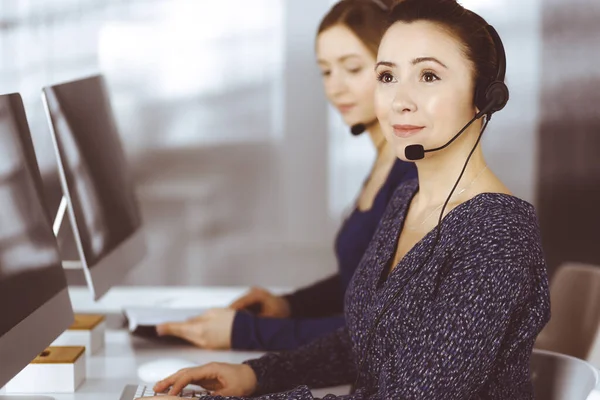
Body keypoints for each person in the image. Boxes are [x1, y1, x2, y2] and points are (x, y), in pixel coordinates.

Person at [141, 0, 551, 398]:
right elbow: (364, 340)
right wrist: (253, 375)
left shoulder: (497, 236)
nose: (399, 100)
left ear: (485, 96)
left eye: (428, 76)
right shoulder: (410, 196)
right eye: (388, 77)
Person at [155, 0, 416, 352]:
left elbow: (382, 328)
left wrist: (245, 333)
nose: (335, 87)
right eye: (326, 71)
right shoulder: (385, 162)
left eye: (352, 69)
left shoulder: (412, 177)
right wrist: (290, 306)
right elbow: (361, 283)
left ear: (391, 72)